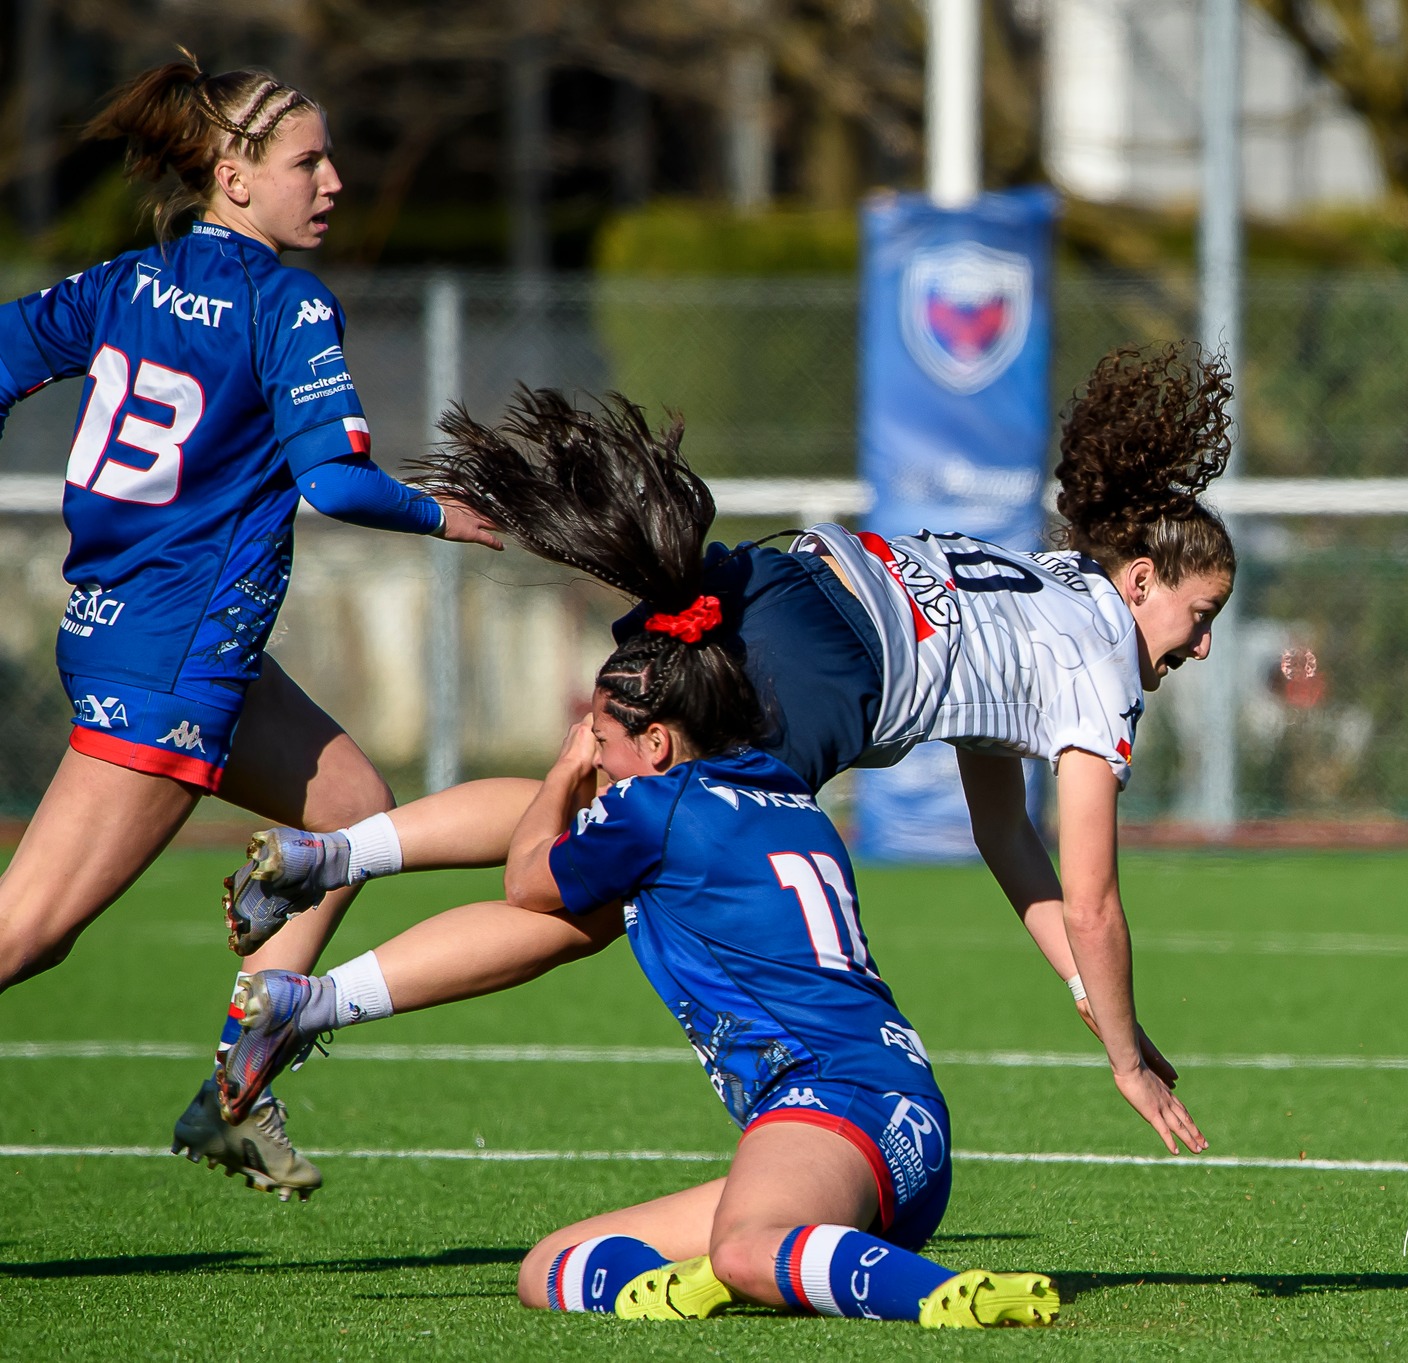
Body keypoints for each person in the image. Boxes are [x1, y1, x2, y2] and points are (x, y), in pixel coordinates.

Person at [188, 348, 1229, 1194]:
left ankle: (335, 851)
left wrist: (1084, 992)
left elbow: (1007, 834)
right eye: (1199, 616)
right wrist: (1127, 1053)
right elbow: (1091, 900)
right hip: (822, 672)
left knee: (597, 800)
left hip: (771, 581)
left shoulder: (1050, 587)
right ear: (1139, 582)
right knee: (594, 895)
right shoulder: (1099, 665)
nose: (1202, 646)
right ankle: (308, 1003)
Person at [218, 492, 1057, 1328]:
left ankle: (945, 1297)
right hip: (886, 1125)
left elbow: (526, 882)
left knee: (745, 1248)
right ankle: (680, 1289)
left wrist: (560, 770)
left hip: (836, 1107)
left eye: (604, 740)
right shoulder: (779, 792)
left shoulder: (655, 807)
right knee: (552, 1266)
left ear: (657, 743)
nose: (595, 760)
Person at [0, 54, 499, 1195]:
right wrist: (450, 515)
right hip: (174, 662)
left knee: (354, 816)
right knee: (25, 934)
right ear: (231, 174)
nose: (332, 180)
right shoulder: (283, 303)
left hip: (129, 630)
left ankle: (237, 1082)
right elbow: (338, 482)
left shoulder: (133, 278)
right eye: (305, 161)